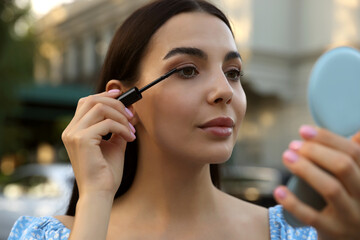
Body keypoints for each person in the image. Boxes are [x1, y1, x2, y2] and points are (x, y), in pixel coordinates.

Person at [8, 0, 360, 239]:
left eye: (233, 72)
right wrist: (95, 199)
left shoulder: (306, 230)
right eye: (188, 70)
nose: (224, 90)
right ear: (121, 100)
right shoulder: (45, 233)